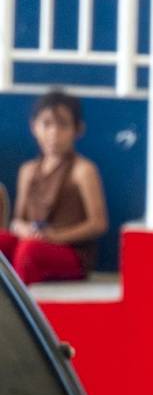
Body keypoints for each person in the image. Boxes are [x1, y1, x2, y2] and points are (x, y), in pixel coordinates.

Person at [2, 89, 108, 285]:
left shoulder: (83, 170)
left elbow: (98, 224)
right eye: (46, 124)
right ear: (34, 127)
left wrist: (55, 237)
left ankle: (22, 311)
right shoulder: (28, 170)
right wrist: (26, 229)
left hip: (70, 253)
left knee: (29, 251)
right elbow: (17, 221)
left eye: (63, 125)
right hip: (34, 241)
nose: (54, 133)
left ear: (78, 130)